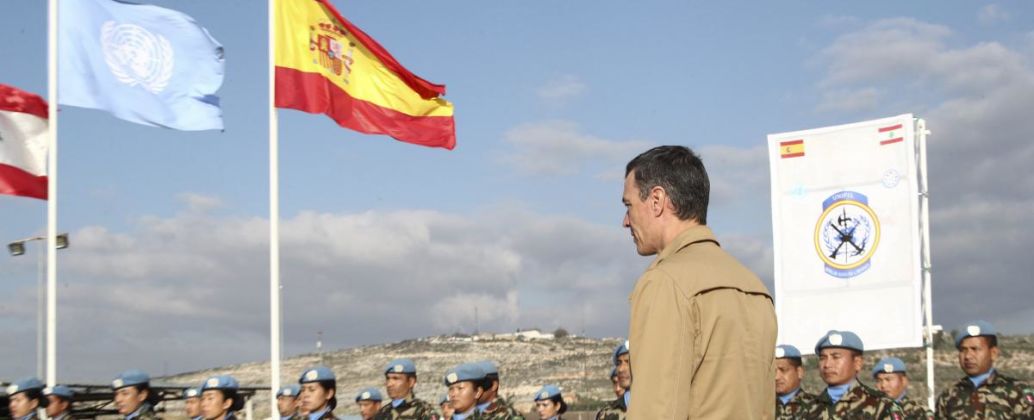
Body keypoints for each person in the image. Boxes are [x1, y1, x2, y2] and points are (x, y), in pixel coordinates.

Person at [621, 145, 777, 419]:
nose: (625, 221)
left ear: (656, 200)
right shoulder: (755, 287)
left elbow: (656, 410)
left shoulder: (666, 282)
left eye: (629, 205)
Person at [935, 320, 1034, 419]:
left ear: (993, 353)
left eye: (975, 349)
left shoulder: (1017, 391)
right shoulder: (949, 397)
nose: (968, 356)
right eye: (963, 350)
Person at [807, 330, 902, 419]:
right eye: (823, 358)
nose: (827, 364)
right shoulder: (808, 408)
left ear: (857, 363)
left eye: (836, 357)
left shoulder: (882, 405)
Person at [773, 344, 816, 419]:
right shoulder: (762, 406)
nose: (776, 377)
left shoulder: (817, 406)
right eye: (773, 372)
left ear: (799, 372)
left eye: (783, 370)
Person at [595, 342, 629, 420]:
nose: (621, 369)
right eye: (619, 363)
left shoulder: (657, 407)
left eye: (627, 362)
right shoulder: (607, 415)